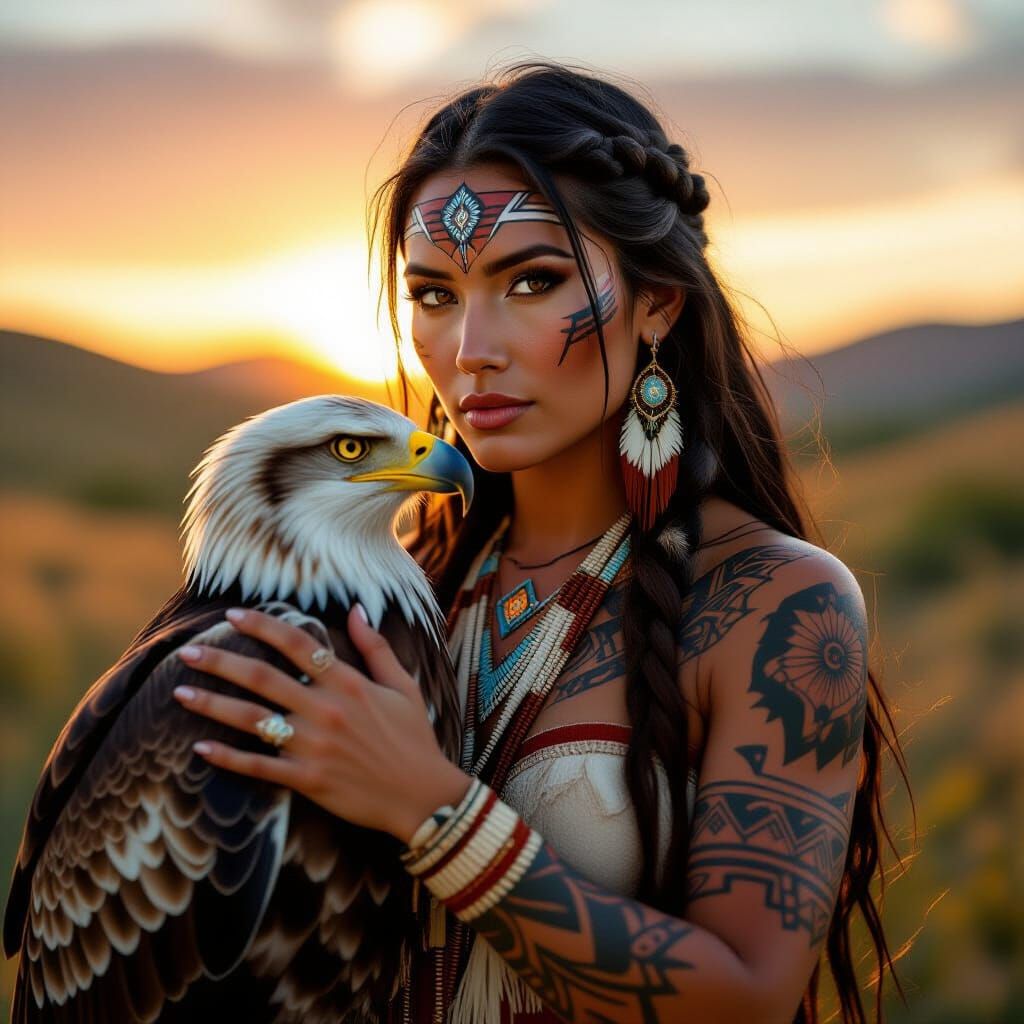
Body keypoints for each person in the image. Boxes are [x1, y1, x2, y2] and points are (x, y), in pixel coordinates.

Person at [171, 61, 912, 1023]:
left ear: (658, 301)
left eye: (531, 281)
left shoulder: (775, 602)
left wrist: (430, 809)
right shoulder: (402, 594)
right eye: (433, 294)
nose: (470, 347)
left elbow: (750, 996)